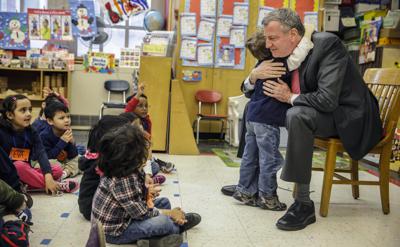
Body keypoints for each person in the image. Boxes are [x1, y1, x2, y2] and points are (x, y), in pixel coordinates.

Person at [258, 9, 381, 230]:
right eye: (267, 38)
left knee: (296, 114)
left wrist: (289, 97)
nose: (268, 45)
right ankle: (248, 185)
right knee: (257, 113)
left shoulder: (327, 45)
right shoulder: (291, 53)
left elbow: (326, 100)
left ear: (293, 34)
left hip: (351, 117)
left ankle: (303, 204)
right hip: (328, 113)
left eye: (272, 38)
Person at [232, 25, 314, 211]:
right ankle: (268, 196)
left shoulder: (262, 63)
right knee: (270, 159)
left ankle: (244, 190)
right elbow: (300, 53)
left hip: (252, 117)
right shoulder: (278, 63)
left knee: (250, 157)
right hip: (266, 121)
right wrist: (308, 32)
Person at [92, 124, 201, 246]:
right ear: (132, 157)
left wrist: (147, 193)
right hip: (115, 232)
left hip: (127, 215)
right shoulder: (122, 179)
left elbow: (136, 200)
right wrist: (170, 214)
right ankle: (176, 228)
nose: (148, 152)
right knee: (164, 222)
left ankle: (150, 240)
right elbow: (141, 213)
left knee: (164, 202)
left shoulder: (126, 169)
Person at [0, 95, 77, 194]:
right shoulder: (2, 132)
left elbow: (41, 153)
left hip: (26, 171)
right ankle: (58, 186)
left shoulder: (32, 131)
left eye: (30, 110)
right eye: (23, 110)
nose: (28, 114)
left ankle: (29, 185)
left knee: (56, 169)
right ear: (10, 115)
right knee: (19, 166)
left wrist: (48, 175)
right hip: (6, 175)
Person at [125, 84, 175, 174]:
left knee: (152, 165)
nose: (144, 109)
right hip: (132, 157)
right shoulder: (129, 118)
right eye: (140, 106)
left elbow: (148, 142)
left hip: (143, 153)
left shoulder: (147, 120)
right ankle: (157, 163)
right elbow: (129, 107)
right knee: (152, 167)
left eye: (146, 106)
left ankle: (154, 161)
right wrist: (138, 94)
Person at [119, 112, 166, 185]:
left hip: (139, 167)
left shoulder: (141, 138)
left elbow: (147, 160)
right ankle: (144, 180)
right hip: (128, 171)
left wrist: (147, 175)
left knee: (154, 166)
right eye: (137, 125)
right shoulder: (124, 143)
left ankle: (146, 179)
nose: (140, 127)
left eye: (140, 124)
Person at [40, 102, 81, 179]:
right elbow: (47, 157)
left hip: (65, 161)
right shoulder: (44, 135)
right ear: (50, 121)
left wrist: (72, 143)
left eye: (68, 117)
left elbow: (73, 155)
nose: (67, 120)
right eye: (62, 118)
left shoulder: (66, 131)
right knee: (51, 164)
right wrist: (62, 142)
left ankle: (65, 173)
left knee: (80, 160)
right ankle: (66, 171)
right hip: (51, 160)